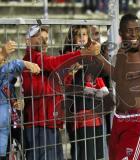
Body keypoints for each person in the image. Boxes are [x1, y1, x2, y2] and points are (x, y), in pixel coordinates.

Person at [22, 25, 100, 160]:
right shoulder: (32, 57)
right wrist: (82, 53)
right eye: (40, 39)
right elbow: (53, 63)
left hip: (49, 121)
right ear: (28, 41)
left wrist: (69, 74)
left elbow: (56, 84)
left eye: (46, 38)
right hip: (39, 123)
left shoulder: (41, 59)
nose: (45, 42)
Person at [92, 13, 140, 160]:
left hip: (138, 120)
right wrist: (98, 56)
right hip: (118, 118)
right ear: (121, 33)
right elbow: (118, 77)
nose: (135, 34)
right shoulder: (122, 50)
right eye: (130, 31)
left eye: (138, 29)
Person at [63, 25, 108, 160]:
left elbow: (105, 72)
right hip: (78, 110)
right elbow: (64, 83)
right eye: (79, 35)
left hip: (95, 109)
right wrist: (73, 69)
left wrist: (98, 55)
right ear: (73, 38)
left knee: (97, 151)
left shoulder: (92, 55)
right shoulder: (68, 55)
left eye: (84, 34)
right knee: (83, 151)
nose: (82, 38)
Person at [0, 40, 40, 159]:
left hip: (11, 123)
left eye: (3, 60)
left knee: (26, 144)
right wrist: (23, 63)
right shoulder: (3, 75)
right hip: (3, 129)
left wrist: (16, 104)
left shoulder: (7, 83)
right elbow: (6, 69)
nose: (3, 62)